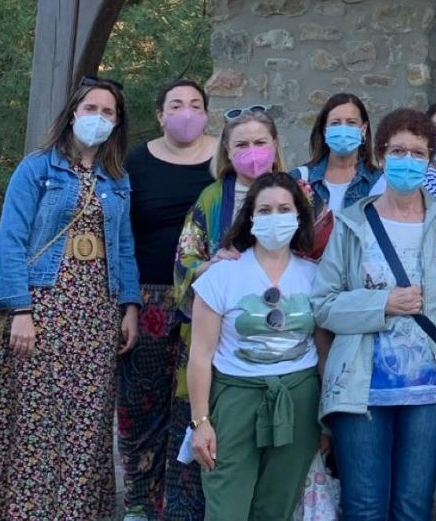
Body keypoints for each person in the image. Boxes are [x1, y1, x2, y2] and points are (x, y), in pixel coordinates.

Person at [0, 77, 141, 521]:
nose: (98, 118)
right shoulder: (38, 169)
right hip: (45, 307)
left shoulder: (116, 180)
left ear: (117, 124)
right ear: (72, 114)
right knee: (37, 419)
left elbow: (125, 248)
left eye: (108, 113)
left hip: (97, 312)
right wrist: (19, 310)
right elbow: (11, 242)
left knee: (86, 422)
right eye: (91, 109)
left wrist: (131, 307)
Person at [312, 108, 436, 521]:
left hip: (434, 389)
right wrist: (381, 304)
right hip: (361, 387)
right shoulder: (352, 224)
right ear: (382, 154)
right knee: (365, 505)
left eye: (418, 153)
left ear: (430, 160)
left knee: (412, 505)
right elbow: (323, 304)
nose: (408, 160)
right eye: (399, 151)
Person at [167, 106, 291, 521]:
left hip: (283, 344)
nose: (252, 151)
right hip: (218, 338)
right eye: (242, 144)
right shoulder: (213, 197)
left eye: (260, 143)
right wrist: (210, 265)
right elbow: (185, 257)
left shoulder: (299, 193)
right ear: (226, 150)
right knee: (213, 442)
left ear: (275, 147)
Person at [187, 172, 324, 520]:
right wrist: (200, 421)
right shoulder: (221, 276)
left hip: (299, 399)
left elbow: (323, 348)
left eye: (283, 208)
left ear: (298, 216)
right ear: (250, 217)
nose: (274, 217)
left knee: (275, 507)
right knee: (225, 507)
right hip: (235, 401)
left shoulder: (316, 275)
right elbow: (200, 356)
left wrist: (326, 418)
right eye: (264, 210)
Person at [119, 78, 217, 521]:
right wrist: (128, 303)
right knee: (141, 403)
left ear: (208, 113)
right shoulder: (135, 162)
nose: (186, 111)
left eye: (196, 104)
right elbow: (121, 234)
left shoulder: (222, 160)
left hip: (205, 301)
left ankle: (181, 507)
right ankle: (140, 502)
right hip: (149, 298)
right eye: (176, 104)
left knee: (190, 404)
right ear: (160, 114)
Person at [295, 92, 380, 212]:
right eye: (335, 123)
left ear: (363, 129)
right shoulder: (300, 179)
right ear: (325, 130)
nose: (343, 129)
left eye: (351, 122)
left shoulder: (378, 182)